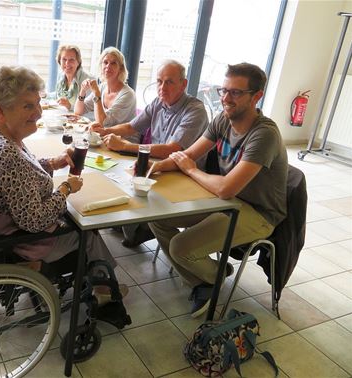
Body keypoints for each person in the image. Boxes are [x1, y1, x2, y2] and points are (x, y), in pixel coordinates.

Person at [0, 65, 127, 303]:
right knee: (89, 230)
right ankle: (105, 290)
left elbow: (19, 176)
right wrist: (65, 189)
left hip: (7, 221)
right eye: (27, 106)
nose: (38, 113)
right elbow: (35, 221)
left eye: (37, 103)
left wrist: (52, 163)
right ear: (0, 110)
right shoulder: (6, 154)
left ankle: (100, 283)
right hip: (25, 240)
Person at [148, 63, 288, 317]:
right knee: (156, 217)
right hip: (226, 201)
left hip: (259, 213)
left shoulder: (264, 134)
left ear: (257, 96)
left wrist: (191, 170)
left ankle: (215, 275)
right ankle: (203, 280)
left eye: (235, 92)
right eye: (223, 90)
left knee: (181, 247)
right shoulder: (223, 119)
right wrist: (155, 167)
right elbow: (187, 155)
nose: (225, 98)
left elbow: (225, 188)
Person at [92, 60, 209, 247]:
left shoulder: (195, 110)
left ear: (183, 84)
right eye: (159, 81)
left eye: (169, 82)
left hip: (181, 173)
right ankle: (136, 225)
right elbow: (132, 126)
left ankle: (141, 227)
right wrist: (105, 131)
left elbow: (172, 149)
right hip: (155, 164)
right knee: (111, 175)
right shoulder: (158, 102)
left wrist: (124, 146)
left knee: (126, 180)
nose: (162, 87)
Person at [74, 47, 138, 142]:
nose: (108, 66)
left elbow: (102, 123)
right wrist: (82, 91)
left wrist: (96, 94)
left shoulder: (128, 94)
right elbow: (78, 111)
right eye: (105, 62)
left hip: (125, 143)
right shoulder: (102, 87)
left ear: (120, 68)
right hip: (104, 138)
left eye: (113, 63)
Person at [53, 45, 92, 110]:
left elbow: (89, 109)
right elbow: (58, 95)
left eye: (71, 60)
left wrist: (70, 106)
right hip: (62, 117)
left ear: (78, 62)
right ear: (59, 61)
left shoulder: (88, 80)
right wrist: (45, 95)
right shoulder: (61, 75)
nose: (67, 63)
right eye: (64, 59)